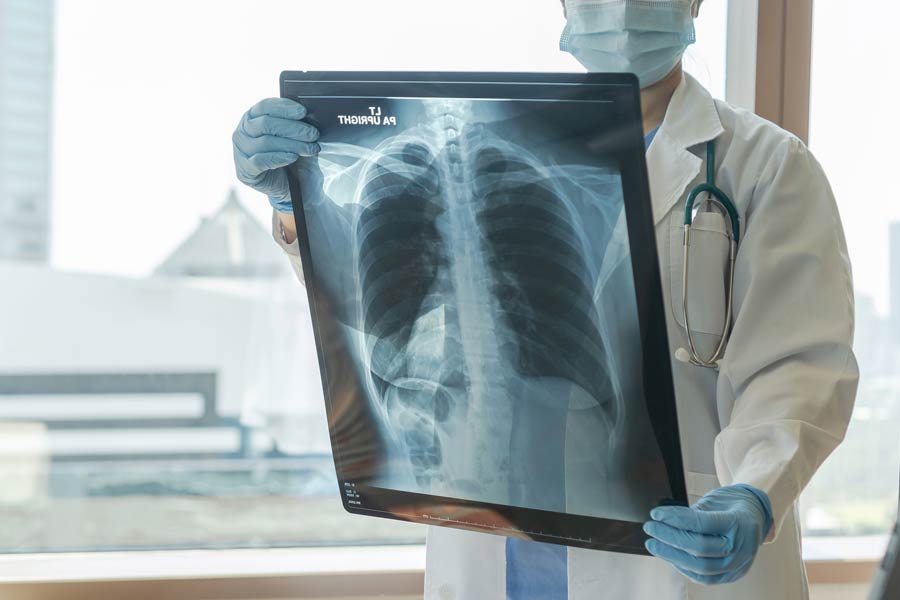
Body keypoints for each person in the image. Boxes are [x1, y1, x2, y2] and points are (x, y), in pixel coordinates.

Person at [231, 0, 859, 598]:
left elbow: (799, 364)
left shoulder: (764, 166)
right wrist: (296, 203)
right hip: (491, 551)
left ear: (695, 4)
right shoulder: (518, 139)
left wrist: (754, 492)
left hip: (680, 558)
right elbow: (373, 308)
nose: (620, 11)